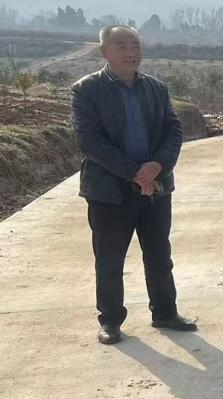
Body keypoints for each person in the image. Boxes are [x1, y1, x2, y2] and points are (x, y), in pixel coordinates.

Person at [71, 25, 196, 344]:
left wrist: (158, 166)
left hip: (156, 187)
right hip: (109, 192)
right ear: (105, 52)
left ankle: (165, 312)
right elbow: (89, 141)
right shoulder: (86, 90)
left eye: (136, 44)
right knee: (110, 260)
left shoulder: (156, 88)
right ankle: (110, 320)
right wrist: (136, 173)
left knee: (159, 254)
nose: (131, 52)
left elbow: (173, 130)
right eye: (122, 45)